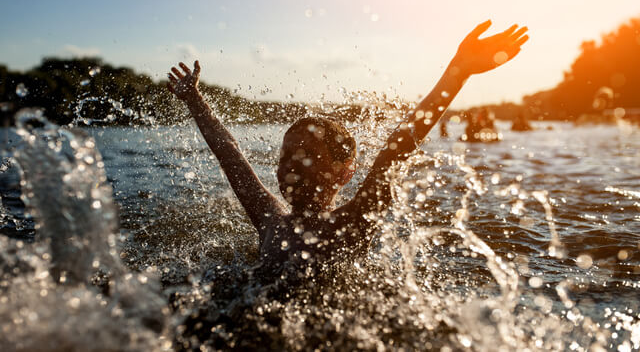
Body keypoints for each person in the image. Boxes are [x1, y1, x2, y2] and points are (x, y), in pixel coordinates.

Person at [166, 20, 528, 277]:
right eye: (285, 156)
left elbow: (397, 149)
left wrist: (458, 72)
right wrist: (195, 100)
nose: (289, 166)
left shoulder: (353, 223)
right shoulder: (268, 218)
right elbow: (230, 154)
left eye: (305, 157)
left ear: (345, 171)